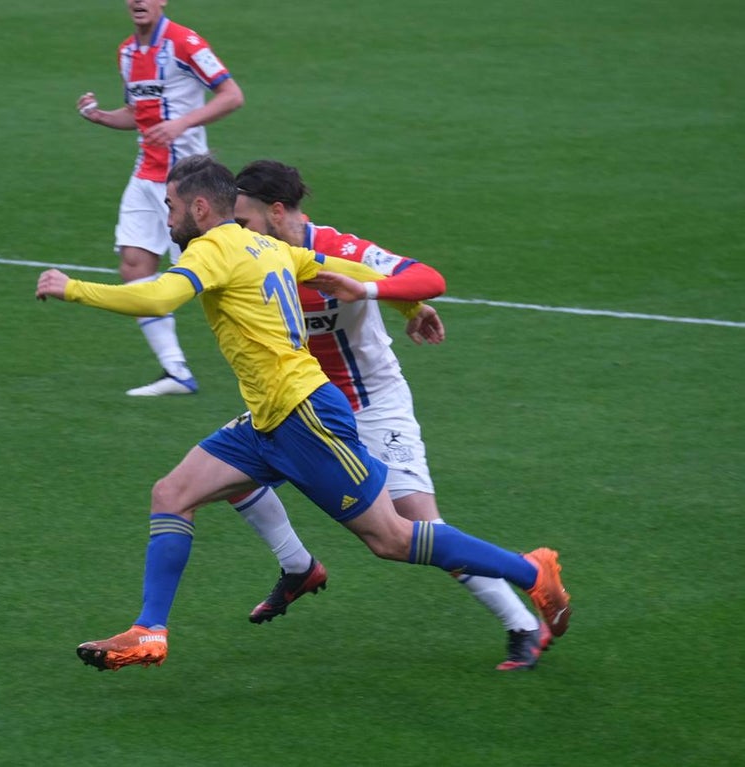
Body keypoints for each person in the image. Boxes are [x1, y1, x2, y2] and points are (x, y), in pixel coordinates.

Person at [35, 155, 571, 672]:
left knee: (393, 537)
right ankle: (150, 630)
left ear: (200, 209)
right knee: (172, 493)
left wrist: (72, 289)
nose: (167, 218)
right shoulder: (268, 246)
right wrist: (409, 306)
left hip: (306, 415)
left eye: (171, 206)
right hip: (269, 419)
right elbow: (343, 272)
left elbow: (156, 300)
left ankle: (531, 570)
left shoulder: (210, 250)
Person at [229, 160, 551, 670]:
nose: (236, 227)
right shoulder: (251, 253)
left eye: (244, 217)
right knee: (225, 474)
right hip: (299, 407)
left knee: (419, 525)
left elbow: (427, 278)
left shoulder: (340, 250)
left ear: (275, 211)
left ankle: (524, 623)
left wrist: (380, 294)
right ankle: (298, 566)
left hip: (370, 406)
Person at [76, 0, 244, 396]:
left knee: (214, 278)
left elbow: (231, 95)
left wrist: (181, 123)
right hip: (145, 175)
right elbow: (138, 113)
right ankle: (176, 372)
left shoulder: (184, 42)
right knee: (134, 266)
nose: (138, 2)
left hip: (189, 179)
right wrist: (100, 116)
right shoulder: (127, 52)